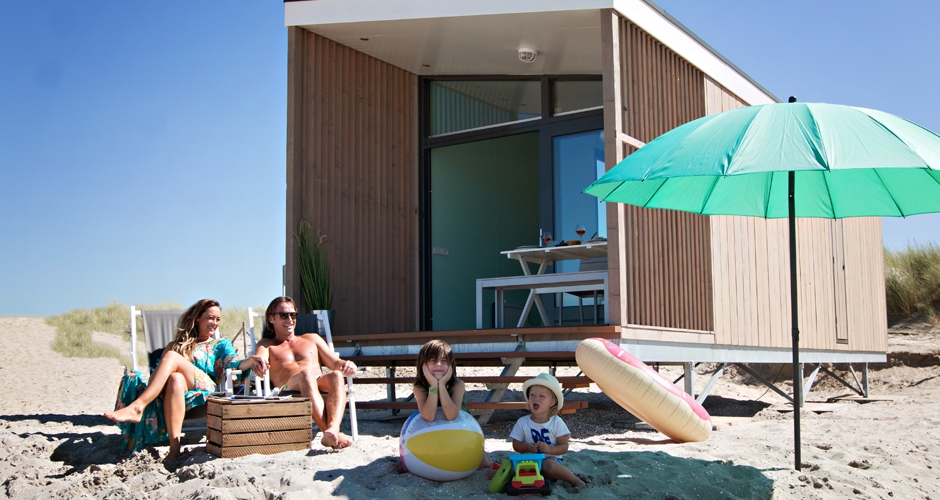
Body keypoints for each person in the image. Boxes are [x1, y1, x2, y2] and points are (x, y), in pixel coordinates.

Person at [105, 299, 267, 459]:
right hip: (173, 398)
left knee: (171, 356)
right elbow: (159, 375)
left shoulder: (220, 344)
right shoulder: (175, 346)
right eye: (210, 317)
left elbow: (234, 363)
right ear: (197, 318)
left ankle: (138, 407)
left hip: (205, 394)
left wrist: (252, 360)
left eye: (218, 319)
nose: (215, 323)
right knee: (175, 378)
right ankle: (174, 449)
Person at [254, 296, 356, 450]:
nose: (289, 319)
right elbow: (259, 358)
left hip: (317, 381)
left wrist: (347, 364)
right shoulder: (267, 345)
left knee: (336, 375)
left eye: (293, 315)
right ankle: (330, 432)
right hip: (288, 386)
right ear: (271, 318)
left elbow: (335, 363)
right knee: (306, 374)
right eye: (283, 315)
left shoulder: (312, 338)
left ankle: (333, 429)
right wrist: (259, 363)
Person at [413, 339, 490, 468]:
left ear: (451, 365)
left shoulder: (458, 385)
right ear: (423, 365)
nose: (438, 364)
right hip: (434, 432)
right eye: (432, 361)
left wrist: (441, 385)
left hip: (460, 430)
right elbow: (429, 416)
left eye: (444, 361)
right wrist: (433, 385)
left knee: (484, 464)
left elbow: (451, 415)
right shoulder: (419, 387)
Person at [509, 373, 585, 488]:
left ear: (552, 402)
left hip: (551, 459)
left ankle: (574, 480)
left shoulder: (556, 422)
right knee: (513, 468)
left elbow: (564, 446)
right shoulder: (522, 422)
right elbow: (516, 445)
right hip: (528, 459)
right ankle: (499, 474)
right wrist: (527, 448)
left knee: (548, 466)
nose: (535, 398)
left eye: (542, 396)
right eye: (532, 395)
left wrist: (549, 449)